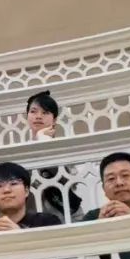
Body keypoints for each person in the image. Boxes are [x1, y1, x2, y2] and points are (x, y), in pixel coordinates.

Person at [25, 91, 83, 222]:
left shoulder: (63, 148)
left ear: (54, 120)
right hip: (32, 218)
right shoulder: (20, 150)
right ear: (27, 116)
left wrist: (43, 140)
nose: (38, 116)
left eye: (45, 112)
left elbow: (70, 181)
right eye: (33, 112)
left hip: (65, 217)